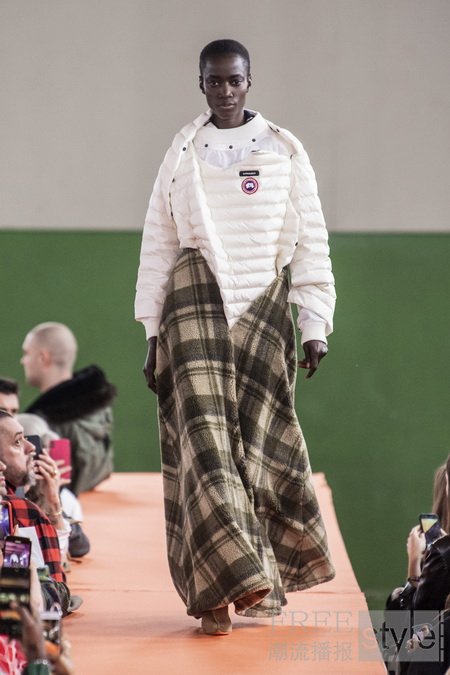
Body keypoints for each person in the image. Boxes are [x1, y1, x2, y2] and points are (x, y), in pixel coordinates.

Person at [135, 39, 336, 634]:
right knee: (204, 447)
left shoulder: (284, 150)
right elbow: (158, 244)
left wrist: (315, 323)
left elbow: (312, 240)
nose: (224, 90)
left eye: (234, 80)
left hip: (264, 308)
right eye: (214, 81)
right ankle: (218, 593)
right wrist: (152, 332)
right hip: (193, 303)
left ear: (250, 81)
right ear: (200, 84)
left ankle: (257, 579)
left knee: (261, 445)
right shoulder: (182, 151)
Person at [21, 322, 116, 495]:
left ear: (43, 357)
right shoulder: (100, 408)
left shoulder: (42, 425)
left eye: (26, 353)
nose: (23, 361)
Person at [0, 411, 70, 615]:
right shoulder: (21, 511)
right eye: (17, 442)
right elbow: (51, 602)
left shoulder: (20, 509)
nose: (31, 447)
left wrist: (53, 505)